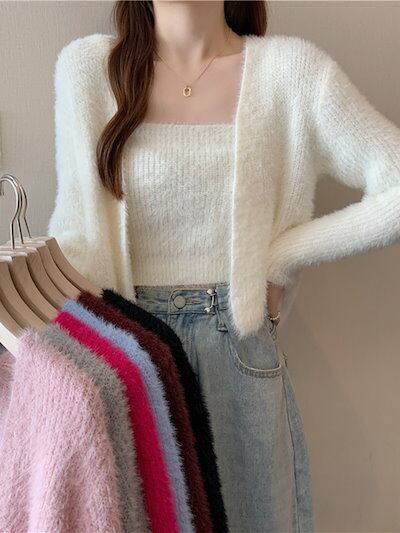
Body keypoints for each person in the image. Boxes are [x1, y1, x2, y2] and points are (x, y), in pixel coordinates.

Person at [48, 1, 400, 531]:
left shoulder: (291, 73)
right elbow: (73, 229)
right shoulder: (87, 71)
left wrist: (282, 258)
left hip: (239, 353)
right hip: (128, 359)